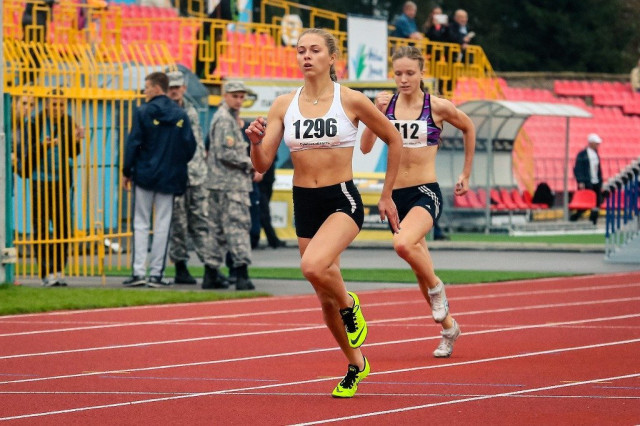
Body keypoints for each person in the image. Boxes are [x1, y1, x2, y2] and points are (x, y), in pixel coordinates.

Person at [245, 28, 403, 398]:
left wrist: (387, 195)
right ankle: (355, 364)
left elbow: (394, 140)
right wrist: (254, 143)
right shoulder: (283, 104)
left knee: (313, 266)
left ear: (332, 58)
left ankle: (351, 304)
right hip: (305, 201)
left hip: (341, 199)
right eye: (301, 50)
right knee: (323, 298)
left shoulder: (350, 100)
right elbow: (262, 163)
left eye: (315, 50)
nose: (306, 56)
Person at [361, 45, 475, 358]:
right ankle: (449, 329)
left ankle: (438, 289)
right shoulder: (387, 105)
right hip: (395, 196)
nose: (403, 79)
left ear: (422, 73)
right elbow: (367, 147)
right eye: (398, 73)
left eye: (410, 73)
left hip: (425, 191)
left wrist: (465, 173)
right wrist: (375, 112)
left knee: (402, 245)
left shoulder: (436, 106)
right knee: (418, 269)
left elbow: (468, 127)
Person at [121, 72, 196, 288]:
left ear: (156, 87)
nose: (145, 91)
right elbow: (189, 147)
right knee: (163, 224)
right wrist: (175, 163)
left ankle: (138, 272)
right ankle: (156, 274)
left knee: (140, 223)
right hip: (170, 176)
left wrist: (127, 170)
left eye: (147, 87)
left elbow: (134, 143)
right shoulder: (180, 114)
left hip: (144, 174)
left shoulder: (142, 111)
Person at [16, 89, 84, 286]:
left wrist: (76, 140)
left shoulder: (68, 121)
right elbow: (27, 153)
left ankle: (59, 270)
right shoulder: (34, 122)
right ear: (46, 105)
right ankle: (46, 273)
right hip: (40, 181)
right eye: (54, 104)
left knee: (63, 227)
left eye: (62, 105)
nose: (58, 108)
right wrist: (43, 146)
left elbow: (72, 153)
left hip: (62, 180)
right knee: (42, 228)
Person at [204, 80, 255, 291]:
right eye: (235, 96)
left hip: (218, 183)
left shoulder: (224, 117)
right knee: (237, 227)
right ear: (225, 96)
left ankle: (211, 273)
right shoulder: (225, 119)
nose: (239, 100)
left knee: (216, 230)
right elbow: (225, 152)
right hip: (231, 184)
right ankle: (241, 274)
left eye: (242, 97)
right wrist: (251, 164)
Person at [166, 71, 210, 285]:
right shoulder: (165, 113)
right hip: (176, 176)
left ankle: (210, 266)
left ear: (184, 88)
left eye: (177, 87)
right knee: (179, 224)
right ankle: (180, 267)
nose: (174, 91)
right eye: (170, 88)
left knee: (201, 221)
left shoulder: (191, 110)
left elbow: (198, 142)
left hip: (197, 175)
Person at [570, 133, 603, 224]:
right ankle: (575, 217)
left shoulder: (596, 154)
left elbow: (598, 169)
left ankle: (593, 221)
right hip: (587, 182)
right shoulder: (582, 155)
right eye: (596, 143)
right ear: (591, 143)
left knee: (597, 203)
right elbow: (578, 169)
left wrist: (600, 180)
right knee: (586, 202)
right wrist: (580, 181)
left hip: (596, 182)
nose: (598, 145)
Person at [255, 159, 286, 248]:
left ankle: (259, 239)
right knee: (264, 212)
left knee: (263, 211)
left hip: (268, 180)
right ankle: (272, 240)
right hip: (260, 182)